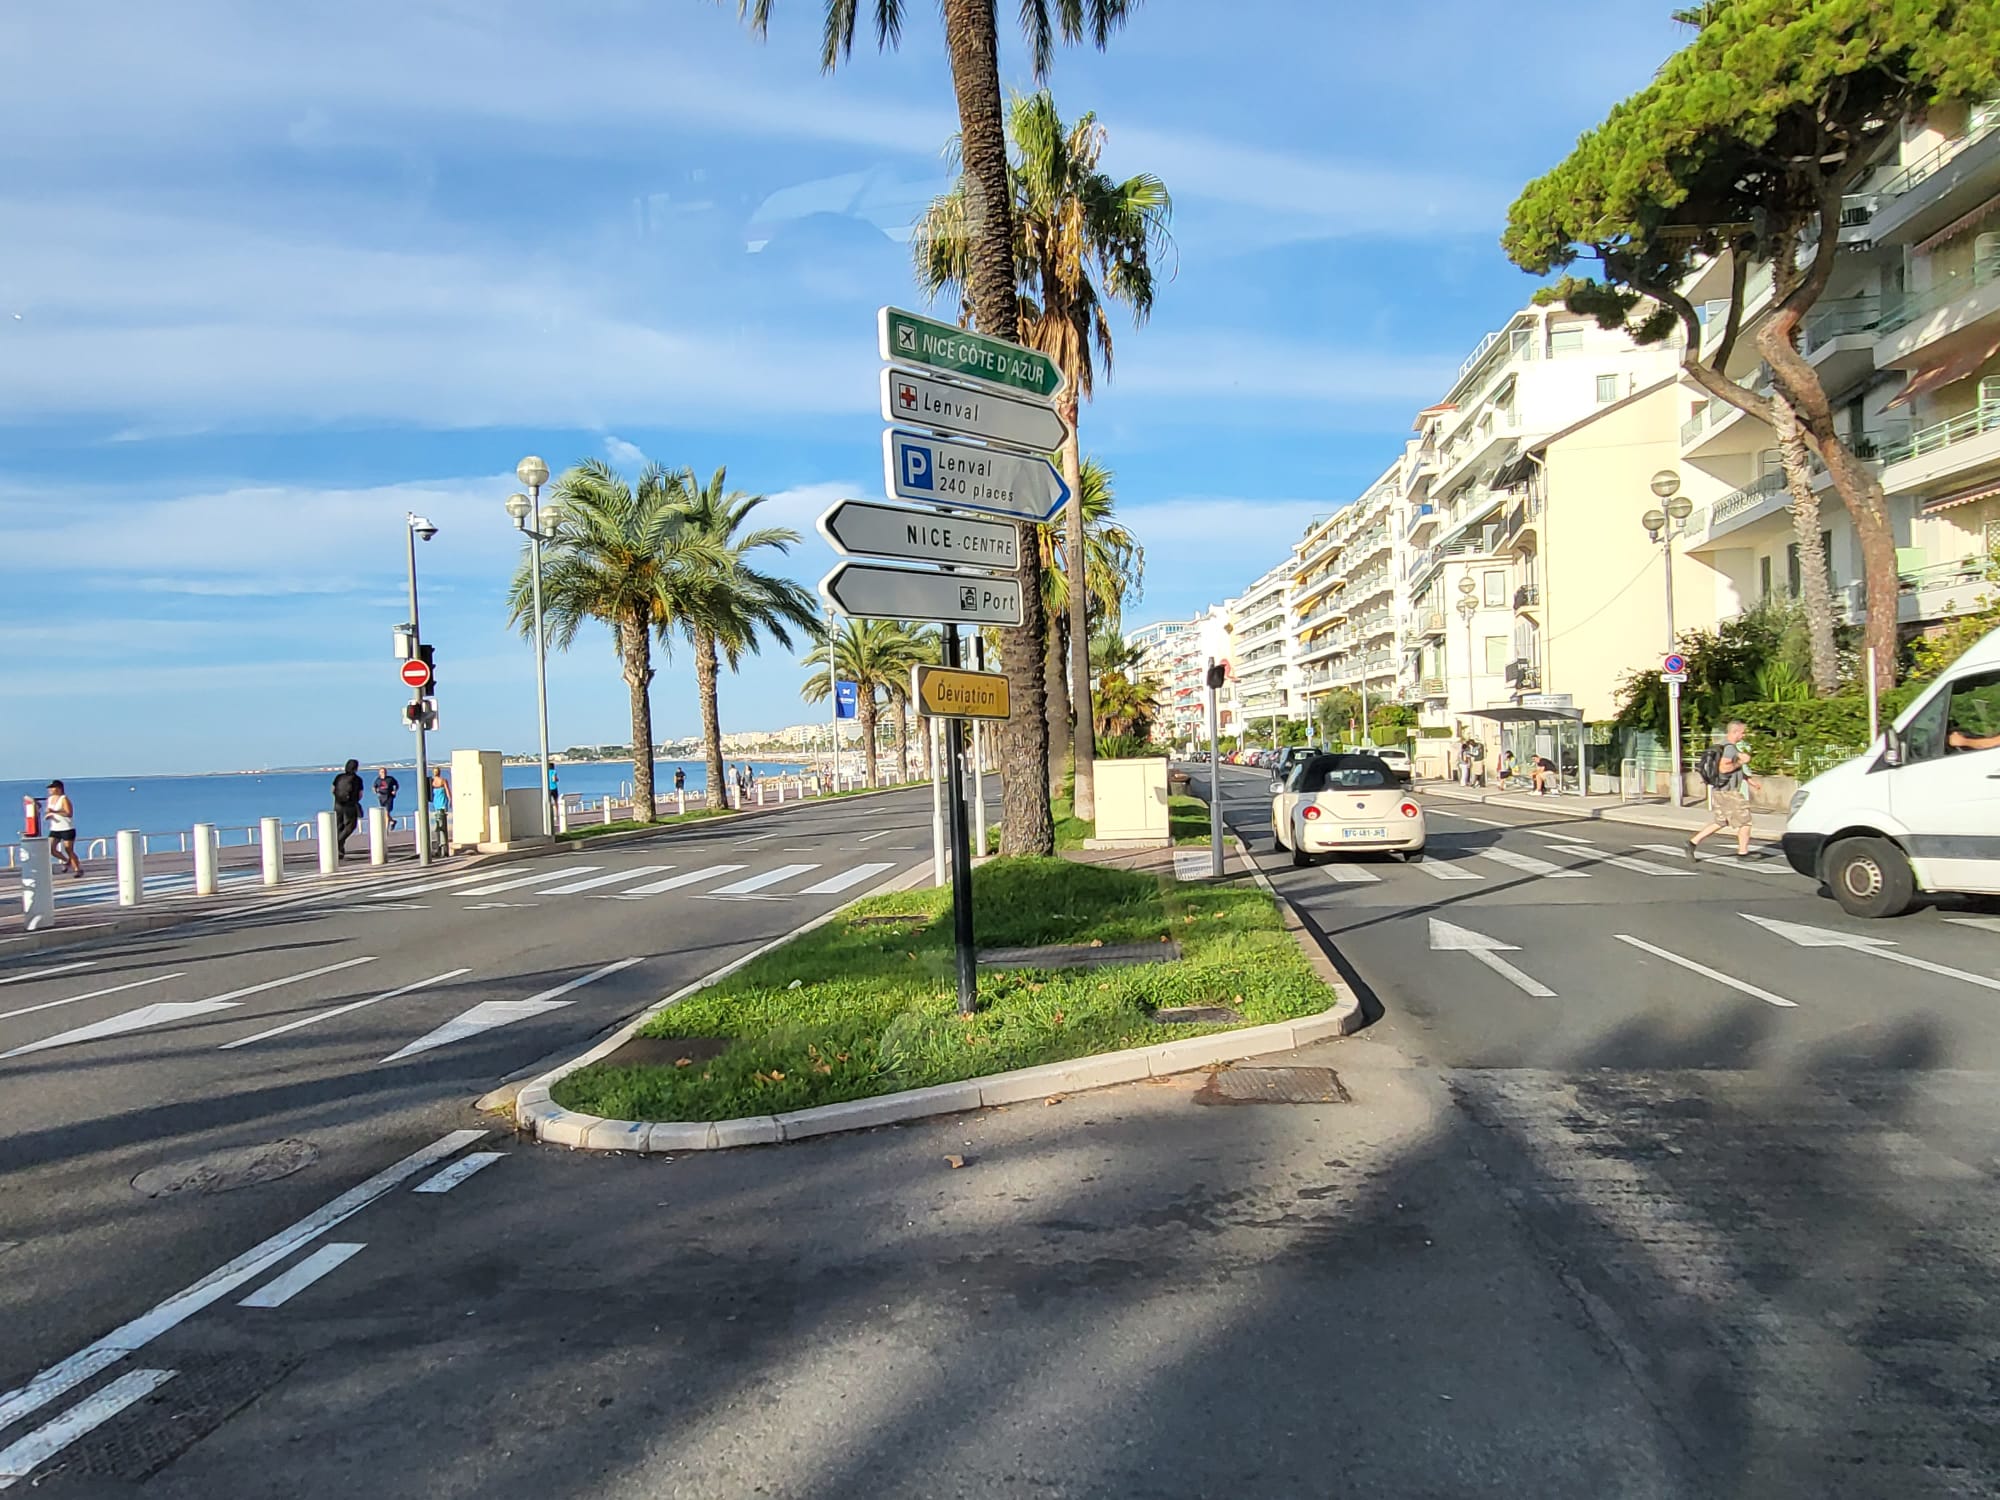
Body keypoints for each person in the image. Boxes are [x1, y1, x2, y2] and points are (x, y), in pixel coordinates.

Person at [1688, 722, 1762, 861]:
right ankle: (1743, 853)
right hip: (1729, 792)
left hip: (1720, 791)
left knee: (1721, 821)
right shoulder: (1730, 749)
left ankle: (1692, 843)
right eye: (1742, 732)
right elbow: (1724, 768)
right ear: (1735, 732)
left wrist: (1748, 779)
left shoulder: (1722, 745)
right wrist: (1741, 762)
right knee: (1746, 822)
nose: (1744, 735)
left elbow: (1728, 768)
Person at [44, 780, 82, 879]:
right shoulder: (50, 799)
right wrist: (49, 815)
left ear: (59, 789)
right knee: (51, 848)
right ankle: (65, 860)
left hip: (67, 828)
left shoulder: (64, 799)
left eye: (52, 788)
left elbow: (69, 813)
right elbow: (49, 811)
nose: (50, 790)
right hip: (55, 828)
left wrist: (54, 811)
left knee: (69, 849)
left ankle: (77, 869)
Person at [331, 758, 365, 860]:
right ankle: (338, 843)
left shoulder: (339, 777)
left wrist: (338, 798)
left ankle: (339, 850)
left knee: (339, 826)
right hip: (350, 805)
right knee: (350, 826)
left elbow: (333, 790)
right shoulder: (357, 779)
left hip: (338, 804)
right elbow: (360, 794)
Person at [428, 768, 451, 858]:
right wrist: (450, 799)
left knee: (441, 825)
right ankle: (441, 847)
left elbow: (447, 791)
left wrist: (450, 800)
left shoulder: (440, 781)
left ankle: (442, 847)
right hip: (437, 803)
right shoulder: (433, 782)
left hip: (440, 803)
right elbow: (447, 791)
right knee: (440, 825)